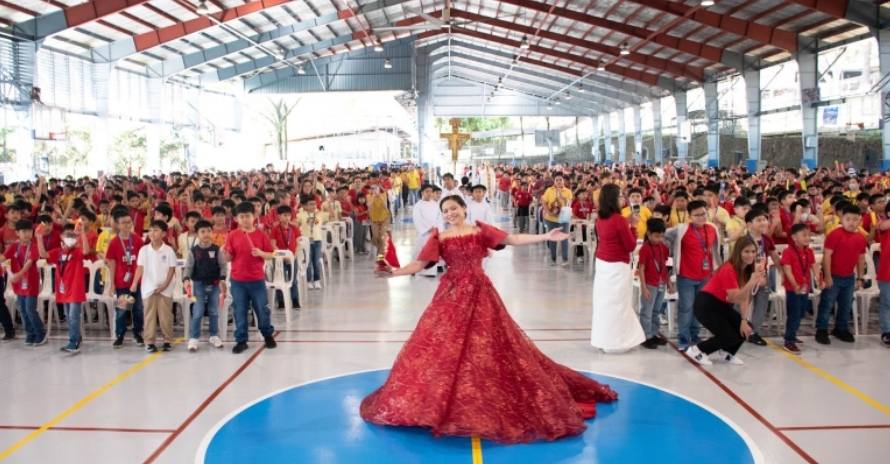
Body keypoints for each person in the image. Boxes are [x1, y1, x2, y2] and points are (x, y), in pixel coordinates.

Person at [361, 194, 617, 443]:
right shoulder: (438, 237)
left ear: (464, 208)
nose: (451, 214)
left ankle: (483, 397)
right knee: (444, 346)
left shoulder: (480, 230)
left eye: (454, 208)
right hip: (451, 295)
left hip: (480, 293)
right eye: (446, 211)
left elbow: (512, 238)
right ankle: (443, 402)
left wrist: (545, 236)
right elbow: (418, 265)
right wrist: (393, 274)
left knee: (489, 346)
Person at [685, 236, 766, 366]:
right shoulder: (728, 269)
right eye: (746, 251)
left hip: (721, 305)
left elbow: (744, 298)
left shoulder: (746, 269)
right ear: (738, 252)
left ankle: (727, 353)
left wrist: (744, 321)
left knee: (747, 328)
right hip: (706, 305)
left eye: (753, 251)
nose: (750, 255)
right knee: (729, 335)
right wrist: (752, 281)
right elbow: (735, 297)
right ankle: (697, 350)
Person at [591, 184, 645, 353]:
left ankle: (602, 339)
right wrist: (633, 227)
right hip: (617, 265)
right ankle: (616, 342)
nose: (623, 199)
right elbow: (629, 246)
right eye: (620, 196)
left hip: (602, 263)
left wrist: (626, 223)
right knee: (619, 303)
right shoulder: (620, 220)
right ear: (614, 199)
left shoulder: (600, 218)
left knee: (603, 302)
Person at [665, 200, 721, 350]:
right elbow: (664, 237)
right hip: (686, 276)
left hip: (705, 276)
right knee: (686, 307)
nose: (701, 217)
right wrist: (671, 253)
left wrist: (717, 267)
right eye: (697, 215)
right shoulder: (682, 229)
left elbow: (715, 250)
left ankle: (694, 334)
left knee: (699, 307)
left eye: (703, 214)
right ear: (690, 216)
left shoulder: (712, 229)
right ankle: (683, 337)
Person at [224, 202, 277, 354]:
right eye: (242, 217)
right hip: (238, 280)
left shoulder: (261, 235)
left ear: (254, 217)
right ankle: (241, 340)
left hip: (257, 280)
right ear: (236, 219)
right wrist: (225, 254)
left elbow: (271, 254)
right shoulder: (232, 235)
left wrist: (261, 253)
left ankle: (267, 335)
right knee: (239, 310)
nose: (245, 219)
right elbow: (228, 257)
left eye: (248, 216)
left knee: (262, 308)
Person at [816, 202, 867, 345]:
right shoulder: (834, 235)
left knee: (846, 305)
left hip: (849, 277)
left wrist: (860, 277)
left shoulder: (860, 238)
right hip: (833, 276)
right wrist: (827, 276)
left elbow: (861, 258)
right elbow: (827, 256)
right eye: (848, 219)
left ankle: (841, 328)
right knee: (827, 304)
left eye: (855, 219)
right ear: (842, 218)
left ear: (860, 220)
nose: (852, 222)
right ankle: (821, 330)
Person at [36, 223, 89, 354]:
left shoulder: (76, 252)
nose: (69, 239)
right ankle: (77, 336)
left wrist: (82, 233)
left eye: (72, 236)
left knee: (73, 316)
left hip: (75, 290)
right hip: (63, 290)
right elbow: (43, 254)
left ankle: (73, 342)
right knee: (68, 315)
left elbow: (86, 250)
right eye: (66, 236)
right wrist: (38, 237)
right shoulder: (58, 252)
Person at [131, 221, 177, 353]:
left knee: (165, 316)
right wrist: (134, 282)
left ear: (163, 233)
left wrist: (164, 285)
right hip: (148, 288)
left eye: (156, 230)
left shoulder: (168, 251)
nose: (152, 233)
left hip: (165, 289)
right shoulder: (144, 250)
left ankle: (167, 340)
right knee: (149, 315)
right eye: (150, 230)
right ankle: (149, 341)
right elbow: (140, 268)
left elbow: (171, 270)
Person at [0, 219, 45, 346]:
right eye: (23, 231)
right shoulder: (14, 246)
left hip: (31, 284)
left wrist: (18, 275)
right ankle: (30, 334)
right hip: (18, 285)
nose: (27, 234)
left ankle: (40, 333)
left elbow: (28, 263)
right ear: (17, 233)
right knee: (23, 310)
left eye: (29, 231)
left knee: (30, 309)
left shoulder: (34, 246)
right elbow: (3, 258)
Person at [184, 219, 227, 352]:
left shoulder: (217, 249)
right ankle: (194, 337)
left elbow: (223, 265)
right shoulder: (193, 251)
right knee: (198, 311)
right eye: (203, 231)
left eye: (209, 231)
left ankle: (214, 335)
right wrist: (185, 278)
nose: (206, 234)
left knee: (214, 311)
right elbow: (188, 267)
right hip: (198, 285)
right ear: (197, 234)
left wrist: (222, 279)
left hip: (214, 285)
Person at [105, 208, 145, 348]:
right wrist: (112, 284)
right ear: (117, 224)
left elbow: (142, 262)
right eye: (123, 223)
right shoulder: (114, 242)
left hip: (137, 281)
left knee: (138, 309)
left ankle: (138, 333)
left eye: (129, 222)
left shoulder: (138, 240)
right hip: (122, 282)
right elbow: (111, 264)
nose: (127, 225)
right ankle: (120, 335)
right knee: (122, 310)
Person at [743, 208, 782, 346]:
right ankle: (736, 329)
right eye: (759, 220)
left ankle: (754, 332)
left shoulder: (767, 239)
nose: (763, 222)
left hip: (762, 278)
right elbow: (737, 263)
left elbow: (775, 257)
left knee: (762, 305)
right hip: (745, 279)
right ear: (749, 224)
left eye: (765, 219)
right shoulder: (743, 240)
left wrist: (781, 272)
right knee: (741, 306)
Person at [780, 223, 820, 354]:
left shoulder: (809, 251)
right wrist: (795, 285)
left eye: (808, 235)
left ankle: (791, 334)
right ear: (794, 237)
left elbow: (814, 266)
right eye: (804, 235)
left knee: (802, 312)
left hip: (805, 287)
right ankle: (789, 340)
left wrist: (819, 279)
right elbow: (787, 269)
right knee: (794, 314)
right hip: (793, 289)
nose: (807, 237)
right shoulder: (788, 252)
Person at [637, 218, 671, 349]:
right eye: (656, 236)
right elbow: (641, 269)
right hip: (650, 284)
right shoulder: (645, 249)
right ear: (649, 233)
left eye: (662, 236)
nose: (659, 239)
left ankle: (654, 333)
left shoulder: (663, 247)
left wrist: (669, 283)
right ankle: (646, 336)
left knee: (656, 310)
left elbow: (664, 266)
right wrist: (644, 288)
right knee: (647, 311)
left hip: (661, 283)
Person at [270, 205, 301, 307]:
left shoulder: (294, 228)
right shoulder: (275, 229)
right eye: (284, 215)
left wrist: (293, 256)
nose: (287, 218)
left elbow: (298, 244)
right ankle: (281, 301)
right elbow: (273, 244)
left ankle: (295, 300)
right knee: (279, 279)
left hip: (292, 258)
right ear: (279, 216)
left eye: (289, 215)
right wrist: (281, 256)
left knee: (293, 279)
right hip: (279, 258)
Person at [296, 196, 328, 290]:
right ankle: (309, 280)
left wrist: (327, 205)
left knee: (316, 261)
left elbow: (330, 216)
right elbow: (295, 224)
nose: (313, 206)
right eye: (310, 204)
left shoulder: (319, 214)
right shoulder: (301, 215)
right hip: (306, 242)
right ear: (305, 206)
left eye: (314, 204)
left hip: (317, 240)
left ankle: (317, 280)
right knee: (308, 261)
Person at [541, 174, 572, 266]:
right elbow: (544, 202)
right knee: (552, 239)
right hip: (551, 218)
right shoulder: (549, 190)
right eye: (557, 180)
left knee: (564, 239)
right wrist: (548, 212)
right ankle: (553, 258)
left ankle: (565, 259)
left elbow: (569, 204)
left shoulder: (568, 191)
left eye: (560, 180)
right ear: (554, 181)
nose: (559, 181)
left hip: (563, 219)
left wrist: (562, 197)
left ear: (563, 181)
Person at [412, 184, 442, 278]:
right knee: (420, 250)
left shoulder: (435, 204)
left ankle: (430, 271)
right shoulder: (418, 206)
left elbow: (439, 218)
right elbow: (417, 219)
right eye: (427, 191)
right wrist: (428, 228)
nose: (429, 193)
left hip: (434, 231)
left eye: (431, 191)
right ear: (422, 193)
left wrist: (437, 228)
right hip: (424, 232)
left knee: (433, 251)